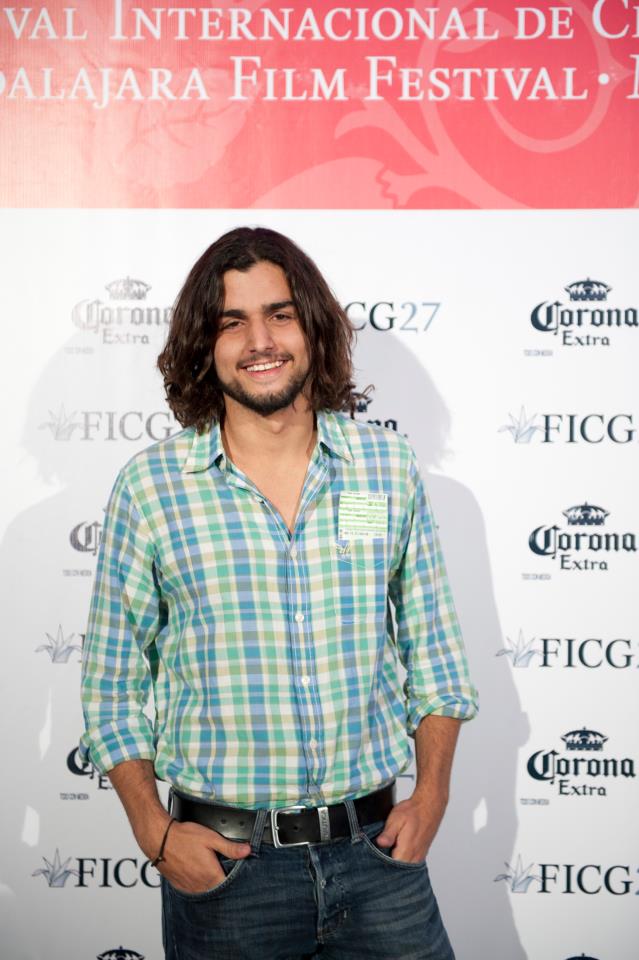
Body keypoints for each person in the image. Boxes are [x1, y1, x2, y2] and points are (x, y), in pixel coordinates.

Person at [80, 226, 478, 960]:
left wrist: (432, 795)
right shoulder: (152, 488)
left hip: (378, 859)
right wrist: (152, 829)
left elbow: (436, 655)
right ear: (205, 346)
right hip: (228, 875)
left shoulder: (383, 470)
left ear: (314, 330)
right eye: (232, 322)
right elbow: (110, 685)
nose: (259, 340)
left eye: (280, 314)